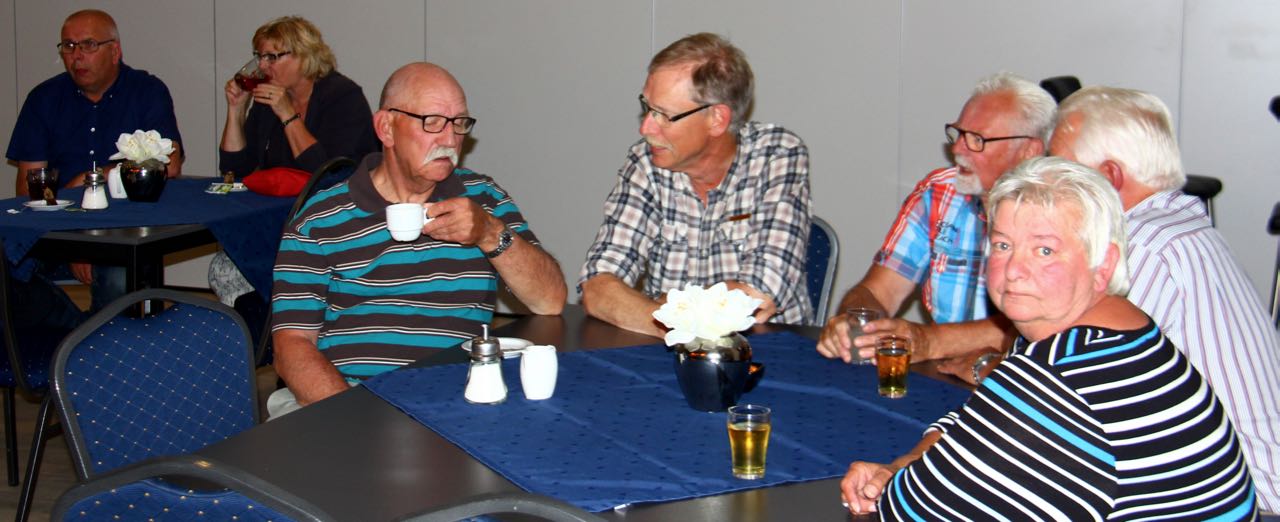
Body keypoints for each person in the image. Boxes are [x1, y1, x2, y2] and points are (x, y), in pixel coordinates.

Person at [842, 157, 1258, 519]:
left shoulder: (1061, 377)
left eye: (1044, 251)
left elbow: (917, 508)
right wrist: (907, 463)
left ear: (1104, 263)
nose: (1014, 269)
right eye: (1003, 245)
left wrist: (893, 483)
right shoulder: (1119, 331)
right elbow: (974, 423)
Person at [267, 62, 567, 418]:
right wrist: (351, 419)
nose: (450, 139)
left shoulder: (483, 199)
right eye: (433, 122)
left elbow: (550, 300)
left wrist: (490, 233)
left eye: (459, 123)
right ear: (386, 128)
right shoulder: (320, 219)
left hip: (463, 402)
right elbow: (292, 345)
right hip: (352, 401)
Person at [1049, 85, 1280, 511]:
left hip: (1244, 496)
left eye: (1061, 171)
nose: (1051, 186)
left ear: (1109, 177)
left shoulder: (1145, 246)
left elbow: (1069, 393)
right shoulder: (1177, 228)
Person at [579, 33, 812, 335]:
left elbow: (758, 294)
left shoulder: (777, 154)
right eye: (647, 107)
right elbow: (598, 286)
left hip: (767, 352)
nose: (646, 127)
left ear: (717, 119)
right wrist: (676, 322)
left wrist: (662, 307)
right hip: (668, 351)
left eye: (664, 115)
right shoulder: (645, 162)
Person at [815, 72, 1053, 364]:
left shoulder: (1059, 210)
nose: (957, 149)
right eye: (958, 133)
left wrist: (931, 341)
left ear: (1029, 151)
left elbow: (1042, 324)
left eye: (977, 139)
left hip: (1020, 376)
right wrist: (857, 323)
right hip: (943, 373)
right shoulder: (939, 191)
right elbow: (878, 290)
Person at [5, 9, 184, 318]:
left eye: (88, 45)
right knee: (10, 266)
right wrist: (74, 242)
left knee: (118, 276)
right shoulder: (44, 98)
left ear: (115, 51)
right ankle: (72, 332)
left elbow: (169, 165)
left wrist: (91, 179)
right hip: (55, 231)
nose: (77, 56)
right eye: (68, 46)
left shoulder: (146, 91)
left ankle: (96, 340)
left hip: (122, 232)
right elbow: (28, 187)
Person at [211, 15, 381, 309]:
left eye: (272, 57)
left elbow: (328, 174)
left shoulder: (342, 97)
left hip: (336, 221)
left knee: (237, 270)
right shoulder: (268, 100)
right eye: (259, 56)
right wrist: (236, 111)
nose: (263, 66)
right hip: (281, 219)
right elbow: (234, 169)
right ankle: (258, 329)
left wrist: (288, 114)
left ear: (304, 56)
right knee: (222, 270)